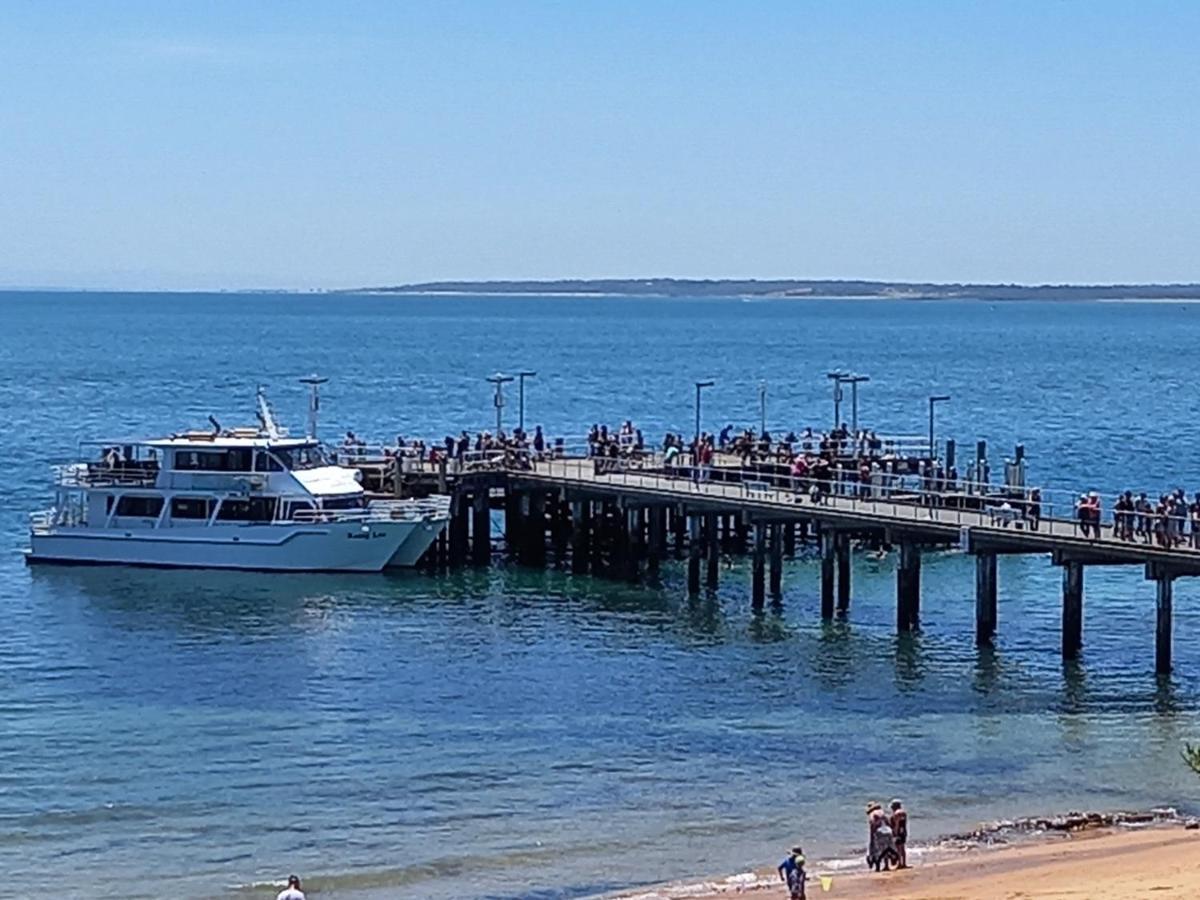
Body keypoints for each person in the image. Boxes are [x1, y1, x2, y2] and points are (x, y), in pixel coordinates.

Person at [889, 799, 909, 869]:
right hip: (903, 831)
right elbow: (904, 823)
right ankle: (904, 863)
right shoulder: (904, 813)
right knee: (903, 848)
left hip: (898, 832)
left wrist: (895, 832)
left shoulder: (896, 813)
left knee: (898, 848)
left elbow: (897, 824)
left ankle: (899, 863)